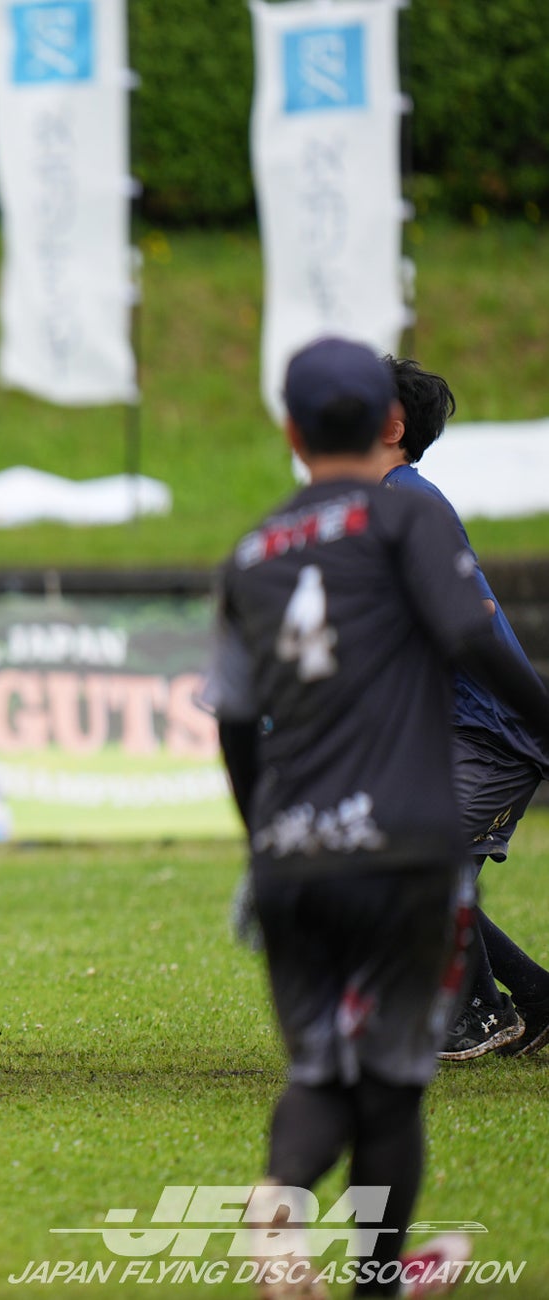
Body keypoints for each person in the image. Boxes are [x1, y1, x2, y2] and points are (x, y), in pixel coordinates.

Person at [206, 338, 549, 1299]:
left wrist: (260, 831)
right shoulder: (402, 517)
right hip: (400, 842)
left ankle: (280, 1206)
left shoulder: (248, 550)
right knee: (393, 1085)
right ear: (382, 423)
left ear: (290, 428)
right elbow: (473, 633)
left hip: (292, 853)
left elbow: (233, 721)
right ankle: (375, 1277)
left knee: (320, 1073)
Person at [378, 355, 549, 1059]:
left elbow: (472, 618)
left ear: (391, 425)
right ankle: (530, 999)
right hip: (450, 734)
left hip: (492, 736)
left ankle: (479, 1011)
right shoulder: (372, 506)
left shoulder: (408, 501)